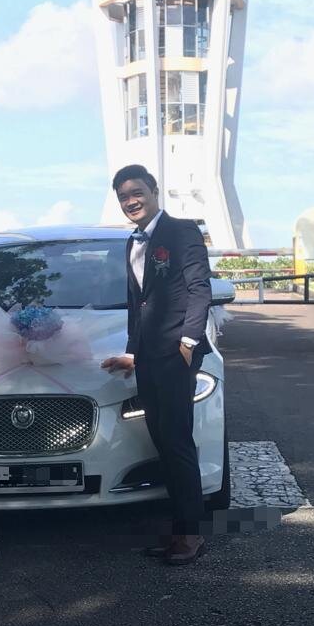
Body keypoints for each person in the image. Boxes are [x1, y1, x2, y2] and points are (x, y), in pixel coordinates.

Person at [101, 164, 212, 565]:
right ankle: (177, 531)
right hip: (148, 357)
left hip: (175, 355)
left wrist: (188, 341)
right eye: (123, 196)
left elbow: (200, 290)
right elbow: (139, 304)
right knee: (162, 441)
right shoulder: (130, 243)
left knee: (178, 443)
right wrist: (133, 352)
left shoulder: (182, 231)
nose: (131, 201)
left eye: (136, 192)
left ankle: (191, 536)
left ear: (154, 190)